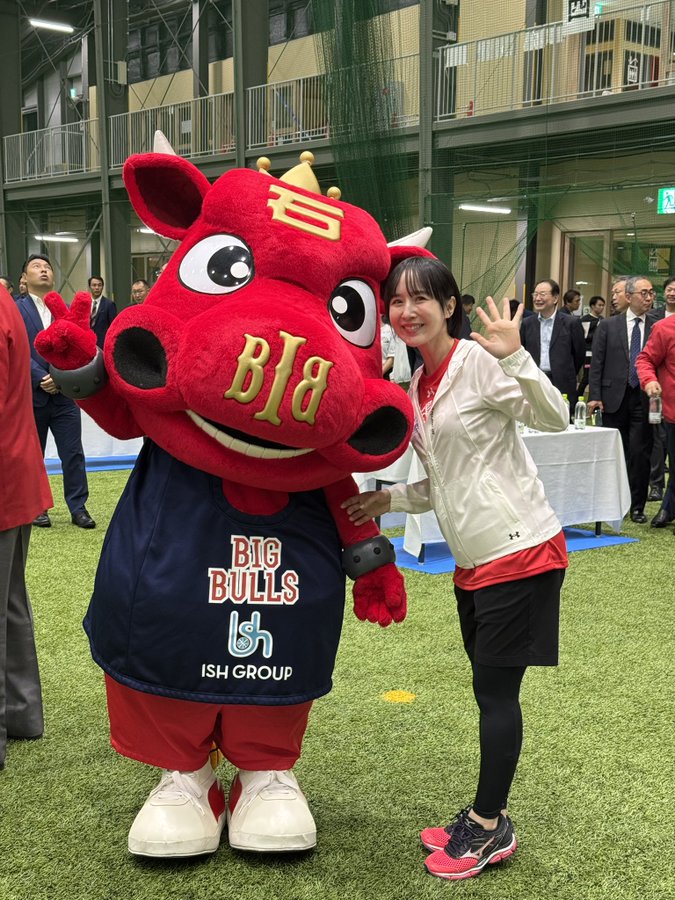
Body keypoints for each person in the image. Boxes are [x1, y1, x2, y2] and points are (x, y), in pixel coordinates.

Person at [342, 256, 569, 882]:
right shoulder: (418, 383)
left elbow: (553, 417)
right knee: (487, 690)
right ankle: (487, 813)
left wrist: (516, 358)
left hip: (520, 552)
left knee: (496, 695)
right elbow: (445, 479)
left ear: (448, 307)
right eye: (396, 301)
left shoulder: (477, 361)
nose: (406, 311)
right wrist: (390, 499)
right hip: (474, 561)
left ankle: (489, 827)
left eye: (420, 299)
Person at [0, 283, 53, 769]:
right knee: (10, 603)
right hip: (15, 474)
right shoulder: (5, 301)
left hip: (5, 479)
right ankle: (19, 714)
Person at [15, 255, 95, 529]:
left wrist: (60, 378)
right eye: (36, 267)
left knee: (73, 453)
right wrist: (40, 377)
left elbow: (79, 347)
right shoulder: (15, 309)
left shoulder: (67, 310)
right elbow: (16, 348)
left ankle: (78, 507)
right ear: (24, 278)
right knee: (33, 455)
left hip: (65, 395)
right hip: (31, 395)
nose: (44, 270)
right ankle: (37, 508)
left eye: (48, 267)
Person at [588, 275, 656, 523]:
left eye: (651, 293)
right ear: (629, 296)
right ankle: (613, 503)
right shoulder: (608, 325)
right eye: (643, 293)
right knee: (615, 452)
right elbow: (597, 363)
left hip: (644, 397)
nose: (648, 298)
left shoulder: (656, 326)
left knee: (640, 453)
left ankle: (637, 506)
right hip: (612, 397)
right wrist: (595, 396)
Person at [520, 279, 585, 420]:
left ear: (555, 298)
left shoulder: (571, 323)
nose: (537, 298)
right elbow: (523, 351)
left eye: (542, 294)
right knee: (535, 419)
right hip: (535, 380)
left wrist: (565, 371)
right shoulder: (527, 323)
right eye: (535, 294)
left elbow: (579, 354)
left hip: (562, 382)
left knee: (561, 421)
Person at [636, 313, 675, 530]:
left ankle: (668, 507)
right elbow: (645, 359)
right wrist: (649, 380)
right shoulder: (664, 328)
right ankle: (668, 507)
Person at [578, 295, 606, 395]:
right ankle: (577, 397)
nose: (602, 307)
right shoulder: (585, 319)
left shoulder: (603, 319)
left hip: (599, 352)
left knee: (596, 376)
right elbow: (584, 337)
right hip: (588, 353)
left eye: (603, 305)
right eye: (599, 305)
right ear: (593, 306)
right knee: (586, 377)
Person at [87, 276, 117, 349]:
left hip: (102, 344)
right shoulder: (85, 303)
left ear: (102, 287)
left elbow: (113, 326)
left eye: (99, 285)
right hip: (87, 343)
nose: (97, 288)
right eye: (94, 285)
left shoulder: (109, 304)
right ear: (89, 287)